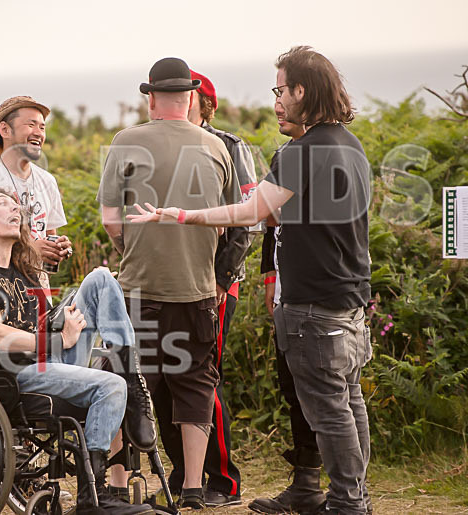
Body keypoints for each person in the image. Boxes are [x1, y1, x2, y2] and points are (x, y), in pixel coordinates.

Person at [128, 47, 373, 515]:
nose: (276, 100)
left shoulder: (305, 151)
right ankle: (352, 496)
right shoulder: (348, 145)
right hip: (350, 300)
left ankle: (345, 504)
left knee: (330, 411)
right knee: (349, 403)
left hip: (314, 305)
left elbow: (249, 212)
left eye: (281, 90)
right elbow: (284, 211)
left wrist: (183, 214)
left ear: (302, 90)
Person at [98, 57, 240, 510]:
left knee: (127, 383)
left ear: (151, 98)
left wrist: (133, 248)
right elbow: (233, 220)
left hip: (139, 288)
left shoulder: (126, 141)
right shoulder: (217, 147)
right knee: (196, 385)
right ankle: (195, 488)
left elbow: (110, 220)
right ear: (192, 98)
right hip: (197, 289)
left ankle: (119, 485)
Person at [0, 188, 155, 515]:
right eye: (3, 205)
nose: (15, 210)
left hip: (48, 358)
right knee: (111, 385)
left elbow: (26, 324)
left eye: (17, 206)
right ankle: (92, 497)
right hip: (16, 373)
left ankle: (133, 379)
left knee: (100, 279)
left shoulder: (22, 271)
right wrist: (58, 340)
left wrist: (57, 324)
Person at [151, 70, 258, 507]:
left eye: (187, 95)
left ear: (200, 102)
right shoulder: (152, 143)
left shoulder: (229, 146)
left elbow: (247, 219)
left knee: (199, 380)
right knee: (159, 381)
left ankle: (222, 481)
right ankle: (183, 475)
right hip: (161, 284)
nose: (179, 101)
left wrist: (221, 278)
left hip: (212, 285)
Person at [247, 101, 330, 515]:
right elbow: (271, 226)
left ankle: (341, 489)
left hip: (315, 292)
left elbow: (276, 214)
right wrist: (268, 275)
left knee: (324, 394)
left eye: (283, 95)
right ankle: (306, 484)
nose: (276, 106)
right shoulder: (285, 155)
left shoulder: (322, 153)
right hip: (285, 286)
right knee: (291, 386)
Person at [0, 96, 72, 278]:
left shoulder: (47, 180)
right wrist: (28, 250)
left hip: (38, 290)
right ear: (5, 130)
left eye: (42, 127)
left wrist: (58, 248)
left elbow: (49, 234)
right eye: (31, 125)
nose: (39, 133)